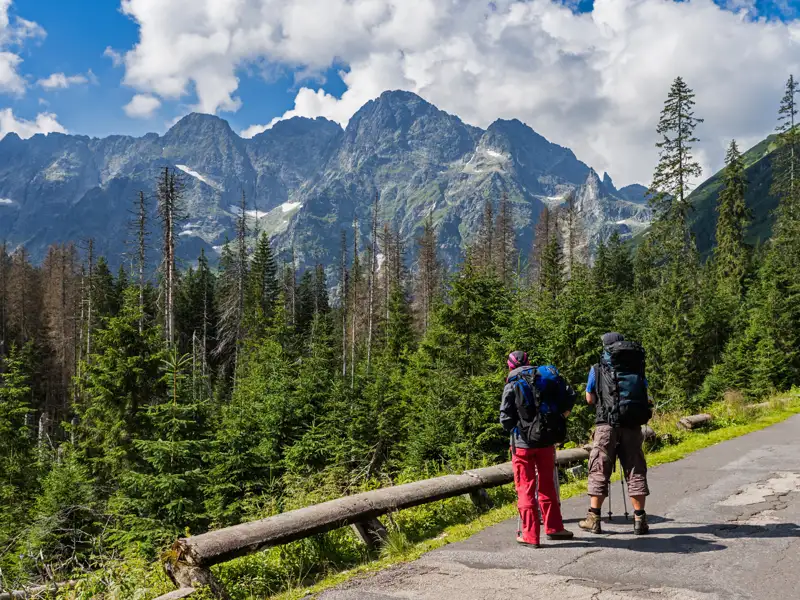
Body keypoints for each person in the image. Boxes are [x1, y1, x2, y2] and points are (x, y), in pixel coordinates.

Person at [579, 333, 652, 536]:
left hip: (606, 424)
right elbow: (644, 391)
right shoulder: (636, 366)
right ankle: (640, 519)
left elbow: (590, 398)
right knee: (635, 468)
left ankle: (594, 518)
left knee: (599, 468)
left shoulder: (597, 368)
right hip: (632, 424)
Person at [500, 351, 575, 547]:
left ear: (510, 367)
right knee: (547, 485)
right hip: (546, 441)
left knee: (525, 487)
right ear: (529, 362)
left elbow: (505, 419)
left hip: (522, 445)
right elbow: (567, 396)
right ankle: (555, 528)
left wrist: (517, 430)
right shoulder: (544, 377)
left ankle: (530, 536)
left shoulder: (512, 384)